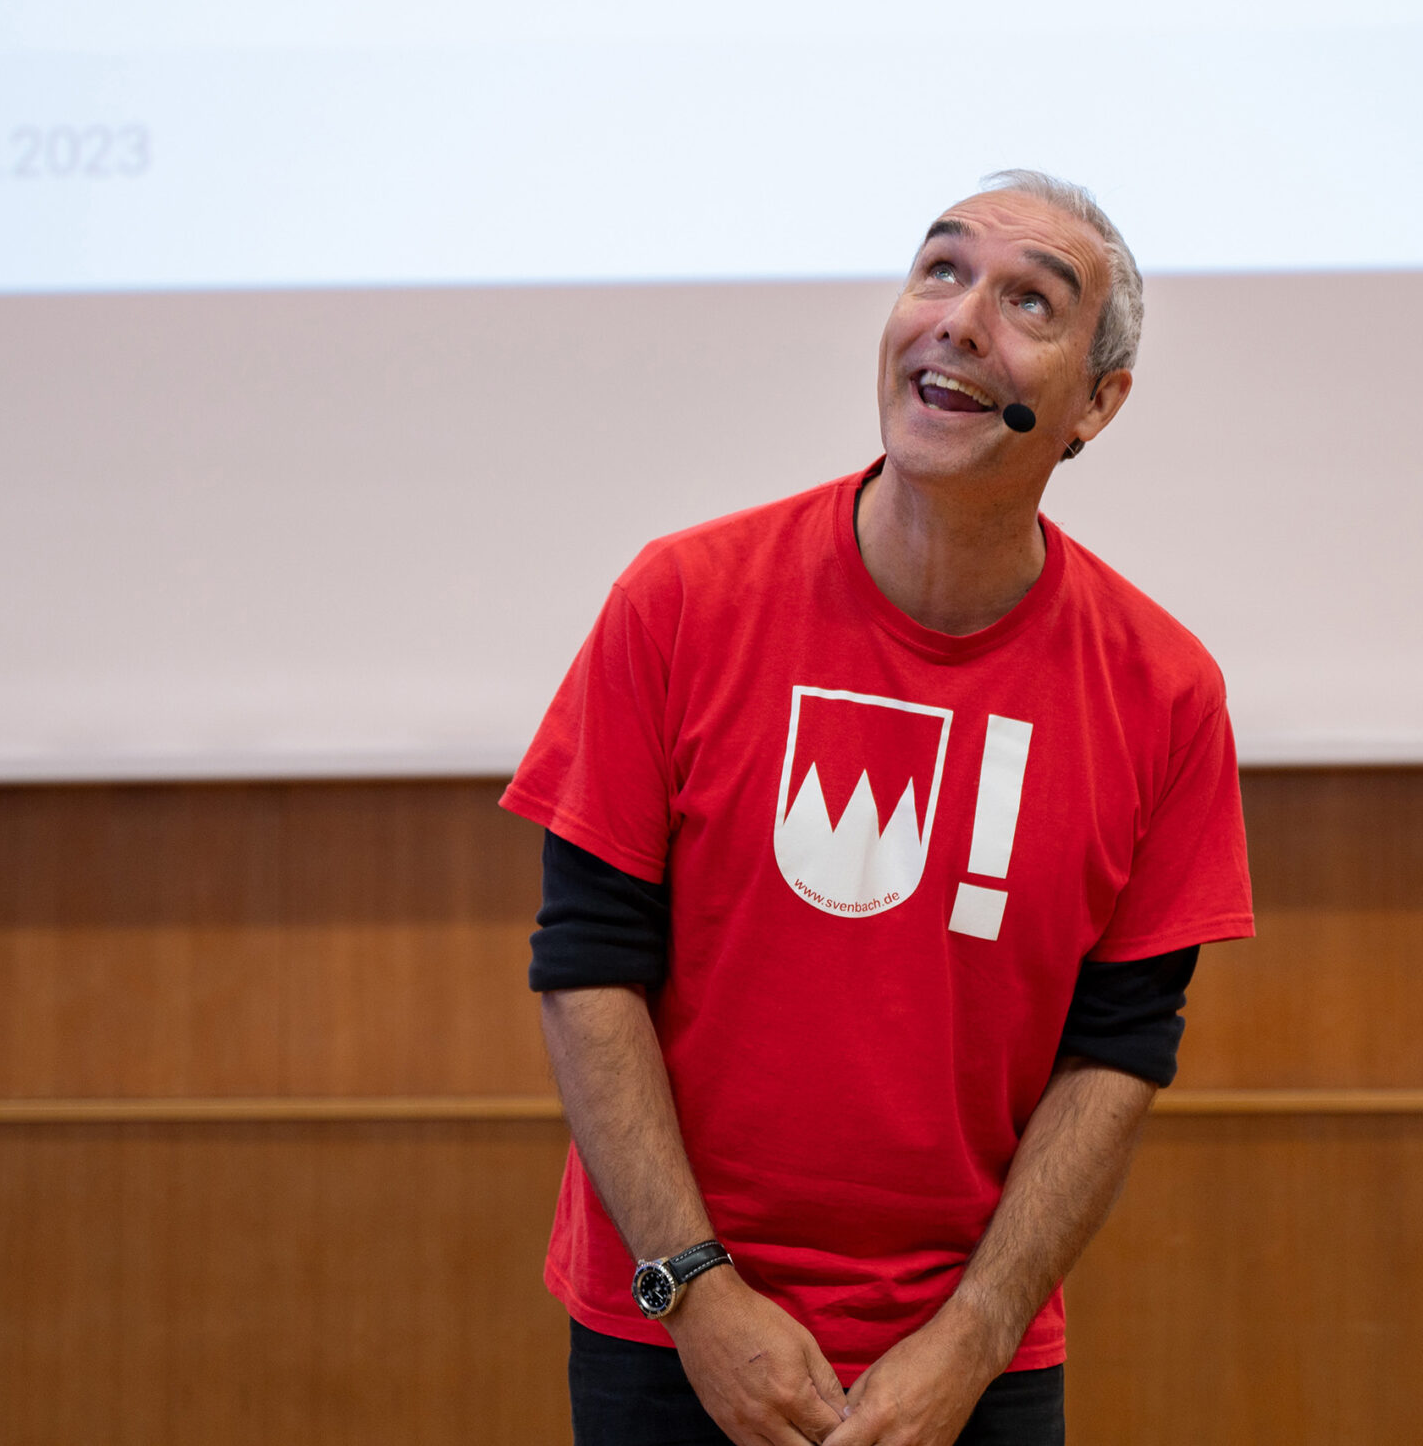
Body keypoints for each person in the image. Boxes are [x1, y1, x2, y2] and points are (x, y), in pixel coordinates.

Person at [503, 170, 1254, 1446]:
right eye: (940, 271)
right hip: (671, 1333)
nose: (959, 320)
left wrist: (974, 1331)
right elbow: (586, 963)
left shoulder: (1164, 689)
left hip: (968, 1357)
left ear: (1095, 404)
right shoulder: (682, 598)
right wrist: (696, 1290)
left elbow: (1121, 1042)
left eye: (1029, 300)